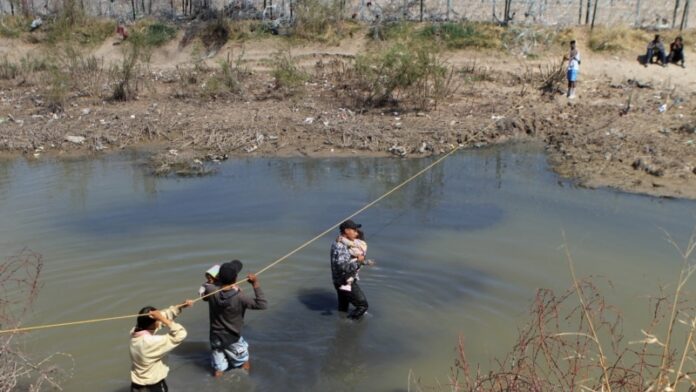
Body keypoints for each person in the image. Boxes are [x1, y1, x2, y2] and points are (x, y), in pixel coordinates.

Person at [202, 260, 267, 376]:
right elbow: (262, 304)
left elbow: (204, 296)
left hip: (215, 337)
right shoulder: (240, 297)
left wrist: (215, 283)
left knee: (219, 369)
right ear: (236, 278)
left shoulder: (211, 291)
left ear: (219, 277)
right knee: (244, 362)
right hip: (232, 338)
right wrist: (255, 283)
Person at [129, 300, 194, 392]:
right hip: (153, 386)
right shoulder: (151, 342)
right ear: (152, 323)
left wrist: (180, 306)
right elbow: (180, 334)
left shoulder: (134, 332)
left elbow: (159, 319)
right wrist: (163, 320)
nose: (160, 320)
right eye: (158, 319)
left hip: (136, 385)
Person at [330, 220, 369, 320]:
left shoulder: (345, 243)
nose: (356, 233)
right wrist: (359, 262)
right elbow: (343, 266)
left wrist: (365, 262)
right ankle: (349, 326)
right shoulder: (340, 246)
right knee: (362, 306)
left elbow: (361, 236)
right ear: (346, 231)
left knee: (343, 308)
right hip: (345, 281)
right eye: (354, 230)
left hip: (339, 281)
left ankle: (341, 327)